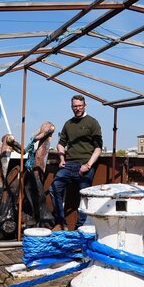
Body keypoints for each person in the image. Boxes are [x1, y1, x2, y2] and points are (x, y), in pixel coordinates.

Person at [49, 94, 103, 230]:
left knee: (84, 196)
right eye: (75, 106)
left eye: (80, 106)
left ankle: (80, 227)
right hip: (68, 164)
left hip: (84, 164)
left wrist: (88, 165)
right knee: (54, 188)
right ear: (71, 107)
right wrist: (61, 159)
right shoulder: (68, 124)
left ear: (85, 106)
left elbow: (98, 148)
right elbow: (61, 144)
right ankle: (62, 223)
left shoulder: (92, 123)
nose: (77, 108)